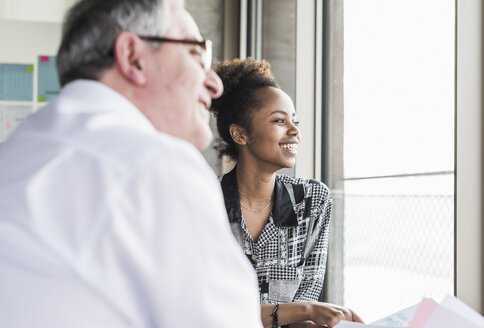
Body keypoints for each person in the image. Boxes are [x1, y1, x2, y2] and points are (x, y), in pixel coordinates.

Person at [0, 1, 262, 327]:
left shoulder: (15, 156)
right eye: (197, 54)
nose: (215, 84)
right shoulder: (153, 165)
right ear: (133, 58)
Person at [211, 57, 364, 328]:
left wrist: (311, 318)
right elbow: (209, 310)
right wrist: (302, 310)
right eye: (280, 121)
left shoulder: (313, 201)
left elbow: (306, 305)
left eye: (295, 121)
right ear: (240, 134)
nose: (295, 132)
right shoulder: (204, 201)